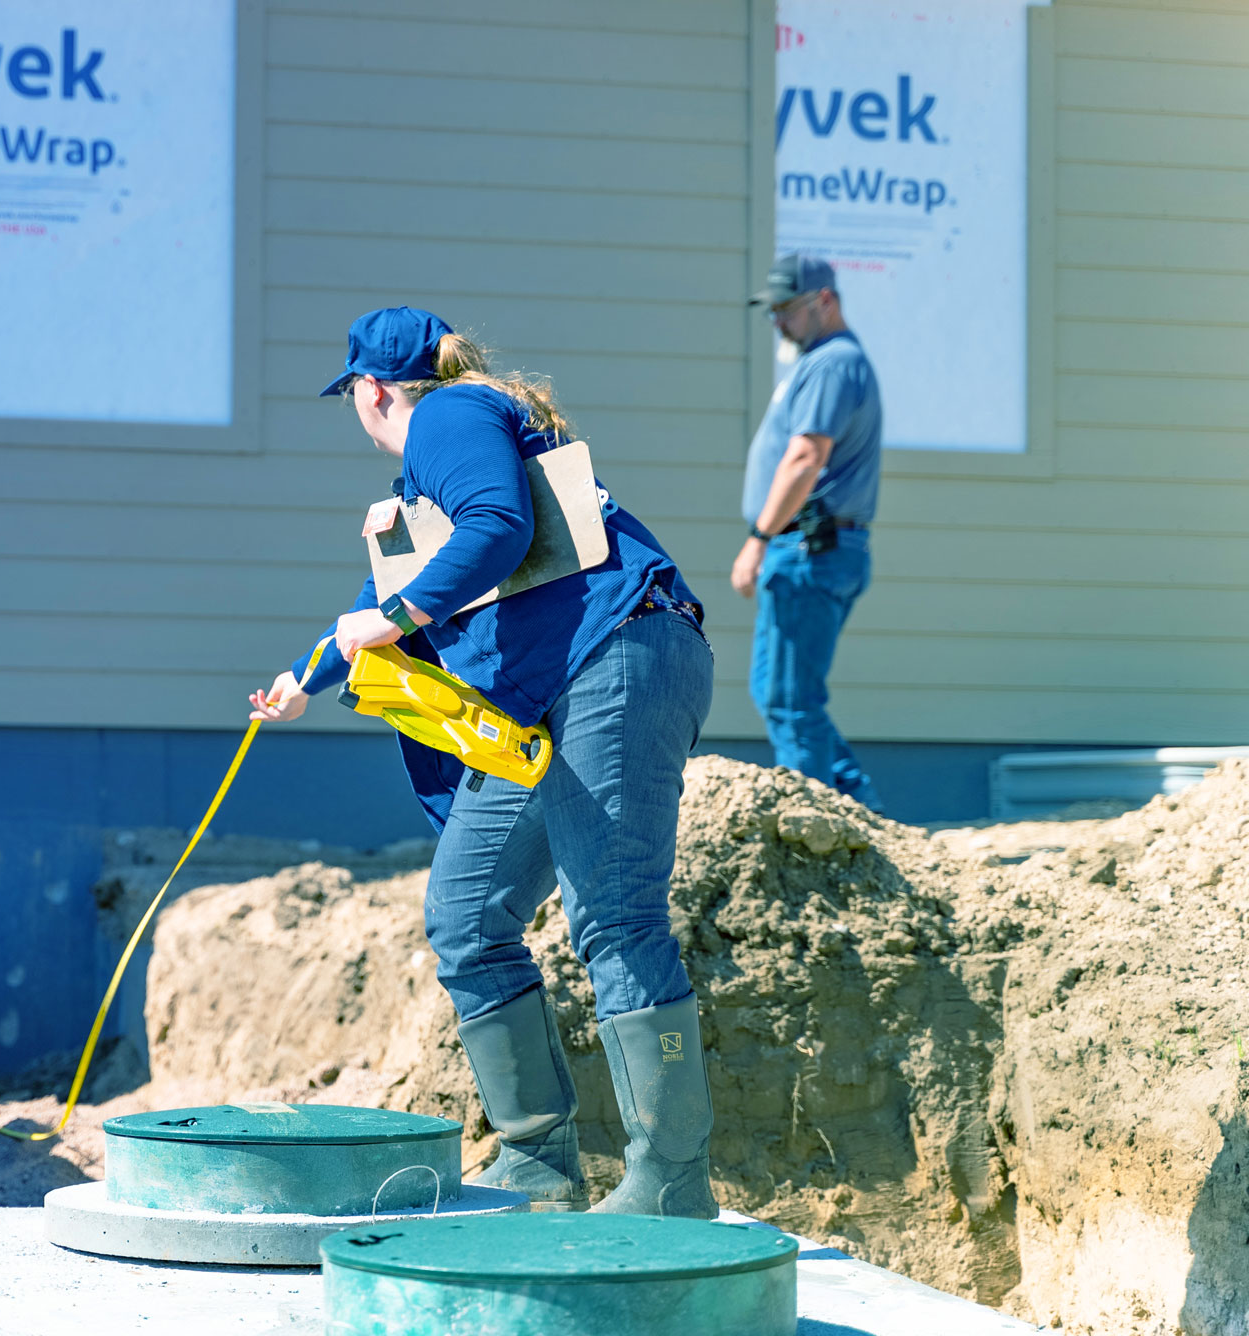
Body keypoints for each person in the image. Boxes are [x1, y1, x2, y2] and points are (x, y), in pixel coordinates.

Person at [249, 307, 719, 1215]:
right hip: (554, 693)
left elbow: (497, 526)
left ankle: (670, 1183)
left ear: (370, 390)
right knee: (466, 913)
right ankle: (538, 1162)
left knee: (614, 916)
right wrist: (306, 679)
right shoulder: (439, 462)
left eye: (352, 395)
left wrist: (395, 619)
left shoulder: (451, 416)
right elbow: (382, 598)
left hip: (618, 656)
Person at [735, 253, 884, 811]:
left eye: (787, 310)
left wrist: (758, 536)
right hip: (808, 547)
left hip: (807, 549)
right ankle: (860, 811)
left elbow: (803, 458)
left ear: (824, 301)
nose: (777, 322)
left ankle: (815, 833)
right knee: (779, 694)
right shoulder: (826, 361)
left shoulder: (833, 363)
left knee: (790, 698)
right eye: (771, 311)